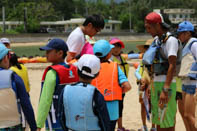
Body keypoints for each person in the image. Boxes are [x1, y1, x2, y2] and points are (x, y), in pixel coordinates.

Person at [144, 12, 181, 131]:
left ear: (157, 25)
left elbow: (172, 64)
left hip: (166, 84)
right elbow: (154, 64)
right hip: (156, 83)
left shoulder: (171, 41)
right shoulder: (157, 40)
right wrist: (151, 84)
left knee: (167, 119)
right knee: (158, 119)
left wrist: (166, 89)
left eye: (149, 27)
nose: (148, 30)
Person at [59, 54, 110, 131]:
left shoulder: (65, 89)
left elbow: (61, 116)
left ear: (77, 70)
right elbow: (104, 120)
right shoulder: (95, 94)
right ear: (97, 74)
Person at [36, 38, 79, 131]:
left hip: (55, 122)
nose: (46, 54)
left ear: (60, 53)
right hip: (73, 121)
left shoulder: (52, 73)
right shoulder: (74, 70)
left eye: (48, 51)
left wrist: (39, 124)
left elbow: (45, 100)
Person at [92, 40, 131, 131]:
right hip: (112, 110)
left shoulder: (91, 66)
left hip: (95, 106)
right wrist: (118, 91)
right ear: (109, 54)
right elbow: (127, 86)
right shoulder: (114, 66)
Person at [0, 43, 37, 131]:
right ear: (5, 58)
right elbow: (26, 105)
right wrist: (33, 127)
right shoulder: (14, 77)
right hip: (12, 126)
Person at [177, 21, 197, 131]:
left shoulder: (193, 44)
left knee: (189, 115)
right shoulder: (186, 45)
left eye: (181, 33)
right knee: (186, 115)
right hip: (185, 83)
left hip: (193, 84)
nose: (179, 36)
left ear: (188, 33)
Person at [135, 39, 156, 131]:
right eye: (146, 48)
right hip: (143, 86)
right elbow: (137, 72)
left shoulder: (156, 61)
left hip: (154, 85)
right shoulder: (143, 61)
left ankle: (154, 126)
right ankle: (144, 125)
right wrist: (140, 79)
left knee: (154, 105)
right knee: (143, 105)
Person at [109, 38, 130, 131]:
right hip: (113, 88)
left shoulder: (122, 58)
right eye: (113, 47)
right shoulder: (109, 59)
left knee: (120, 107)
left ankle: (120, 126)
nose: (116, 49)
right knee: (113, 108)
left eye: (118, 46)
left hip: (122, 88)